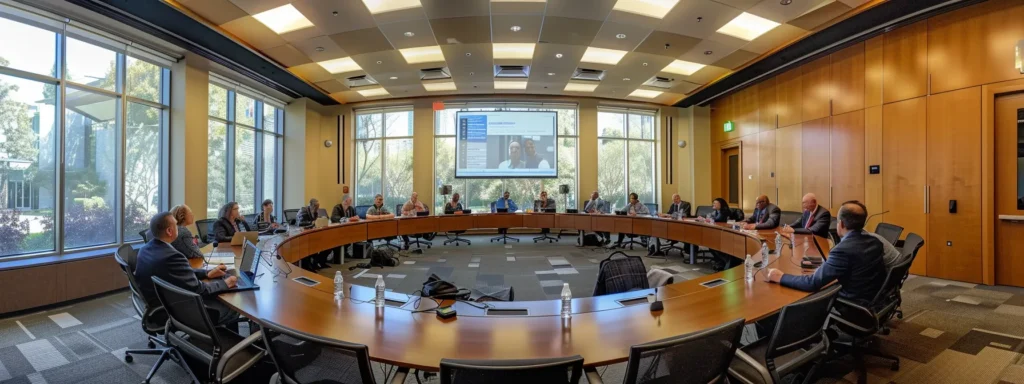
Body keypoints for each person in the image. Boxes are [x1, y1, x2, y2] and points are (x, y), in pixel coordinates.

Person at [767, 201, 886, 306]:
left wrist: (780, 277)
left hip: (852, 303)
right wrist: (818, 262)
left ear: (841, 224)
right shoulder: (876, 242)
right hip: (874, 297)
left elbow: (812, 283)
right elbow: (854, 264)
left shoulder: (842, 250)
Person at [134, 212, 239, 327]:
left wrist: (207, 273)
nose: (178, 228)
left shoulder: (145, 249)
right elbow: (199, 290)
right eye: (176, 225)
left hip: (160, 303)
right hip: (177, 311)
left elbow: (176, 271)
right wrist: (225, 283)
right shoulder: (172, 256)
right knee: (232, 305)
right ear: (169, 231)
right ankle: (229, 343)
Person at [296, 198, 330, 271]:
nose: (316, 209)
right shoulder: (303, 210)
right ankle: (309, 265)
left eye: (317, 207)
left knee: (328, 243)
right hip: (303, 235)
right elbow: (300, 223)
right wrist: (311, 223)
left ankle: (319, 262)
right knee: (311, 245)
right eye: (315, 206)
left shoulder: (315, 212)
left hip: (313, 232)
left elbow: (315, 221)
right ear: (311, 205)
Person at [331, 194, 358, 259]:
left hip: (348, 229)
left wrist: (356, 217)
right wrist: (348, 219)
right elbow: (334, 218)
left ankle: (345, 252)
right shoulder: (337, 208)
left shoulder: (351, 208)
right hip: (337, 230)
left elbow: (354, 217)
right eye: (350, 200)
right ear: (345, 201)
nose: (351, 202)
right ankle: (339, 255)